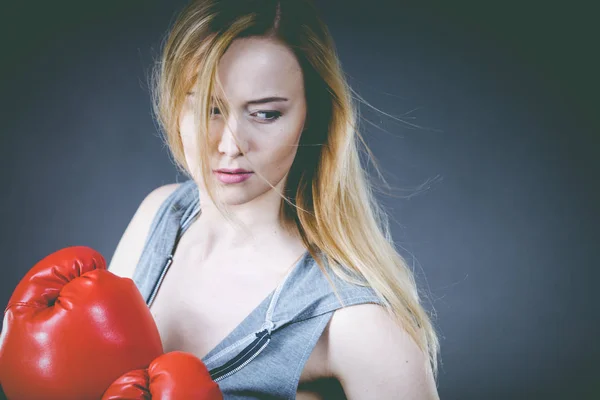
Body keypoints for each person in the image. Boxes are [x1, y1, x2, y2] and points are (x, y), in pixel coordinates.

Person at [108, 0, 440, 398]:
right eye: (208, 108)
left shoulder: (357, 321)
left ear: (311, 116)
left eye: (265, 114)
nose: (230, 145)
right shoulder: (159, 217)